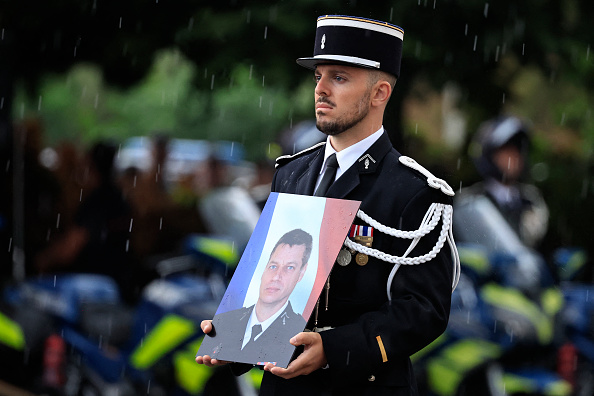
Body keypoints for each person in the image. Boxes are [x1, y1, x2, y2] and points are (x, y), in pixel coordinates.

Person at [197, 15, 459, 396]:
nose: (320, 89)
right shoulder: (291, 173)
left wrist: (334, 350)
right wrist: (234, 339)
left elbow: (424, 311)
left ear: (380, 93)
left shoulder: (414, 190)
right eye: (318, 76)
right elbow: (274, 282)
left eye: (339, 78)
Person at [201, 229, 311, 366]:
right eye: (273, 266)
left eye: (289, 268)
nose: (276, 276)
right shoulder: (229, 320)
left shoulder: (299, 330)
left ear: (301, 273)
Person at [459, 115, 549, 248]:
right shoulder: (469, 201)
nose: (513, 157)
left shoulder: (531, 200)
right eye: (506, 150)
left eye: (517, 150)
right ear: (489, 154)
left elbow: (535, 247)